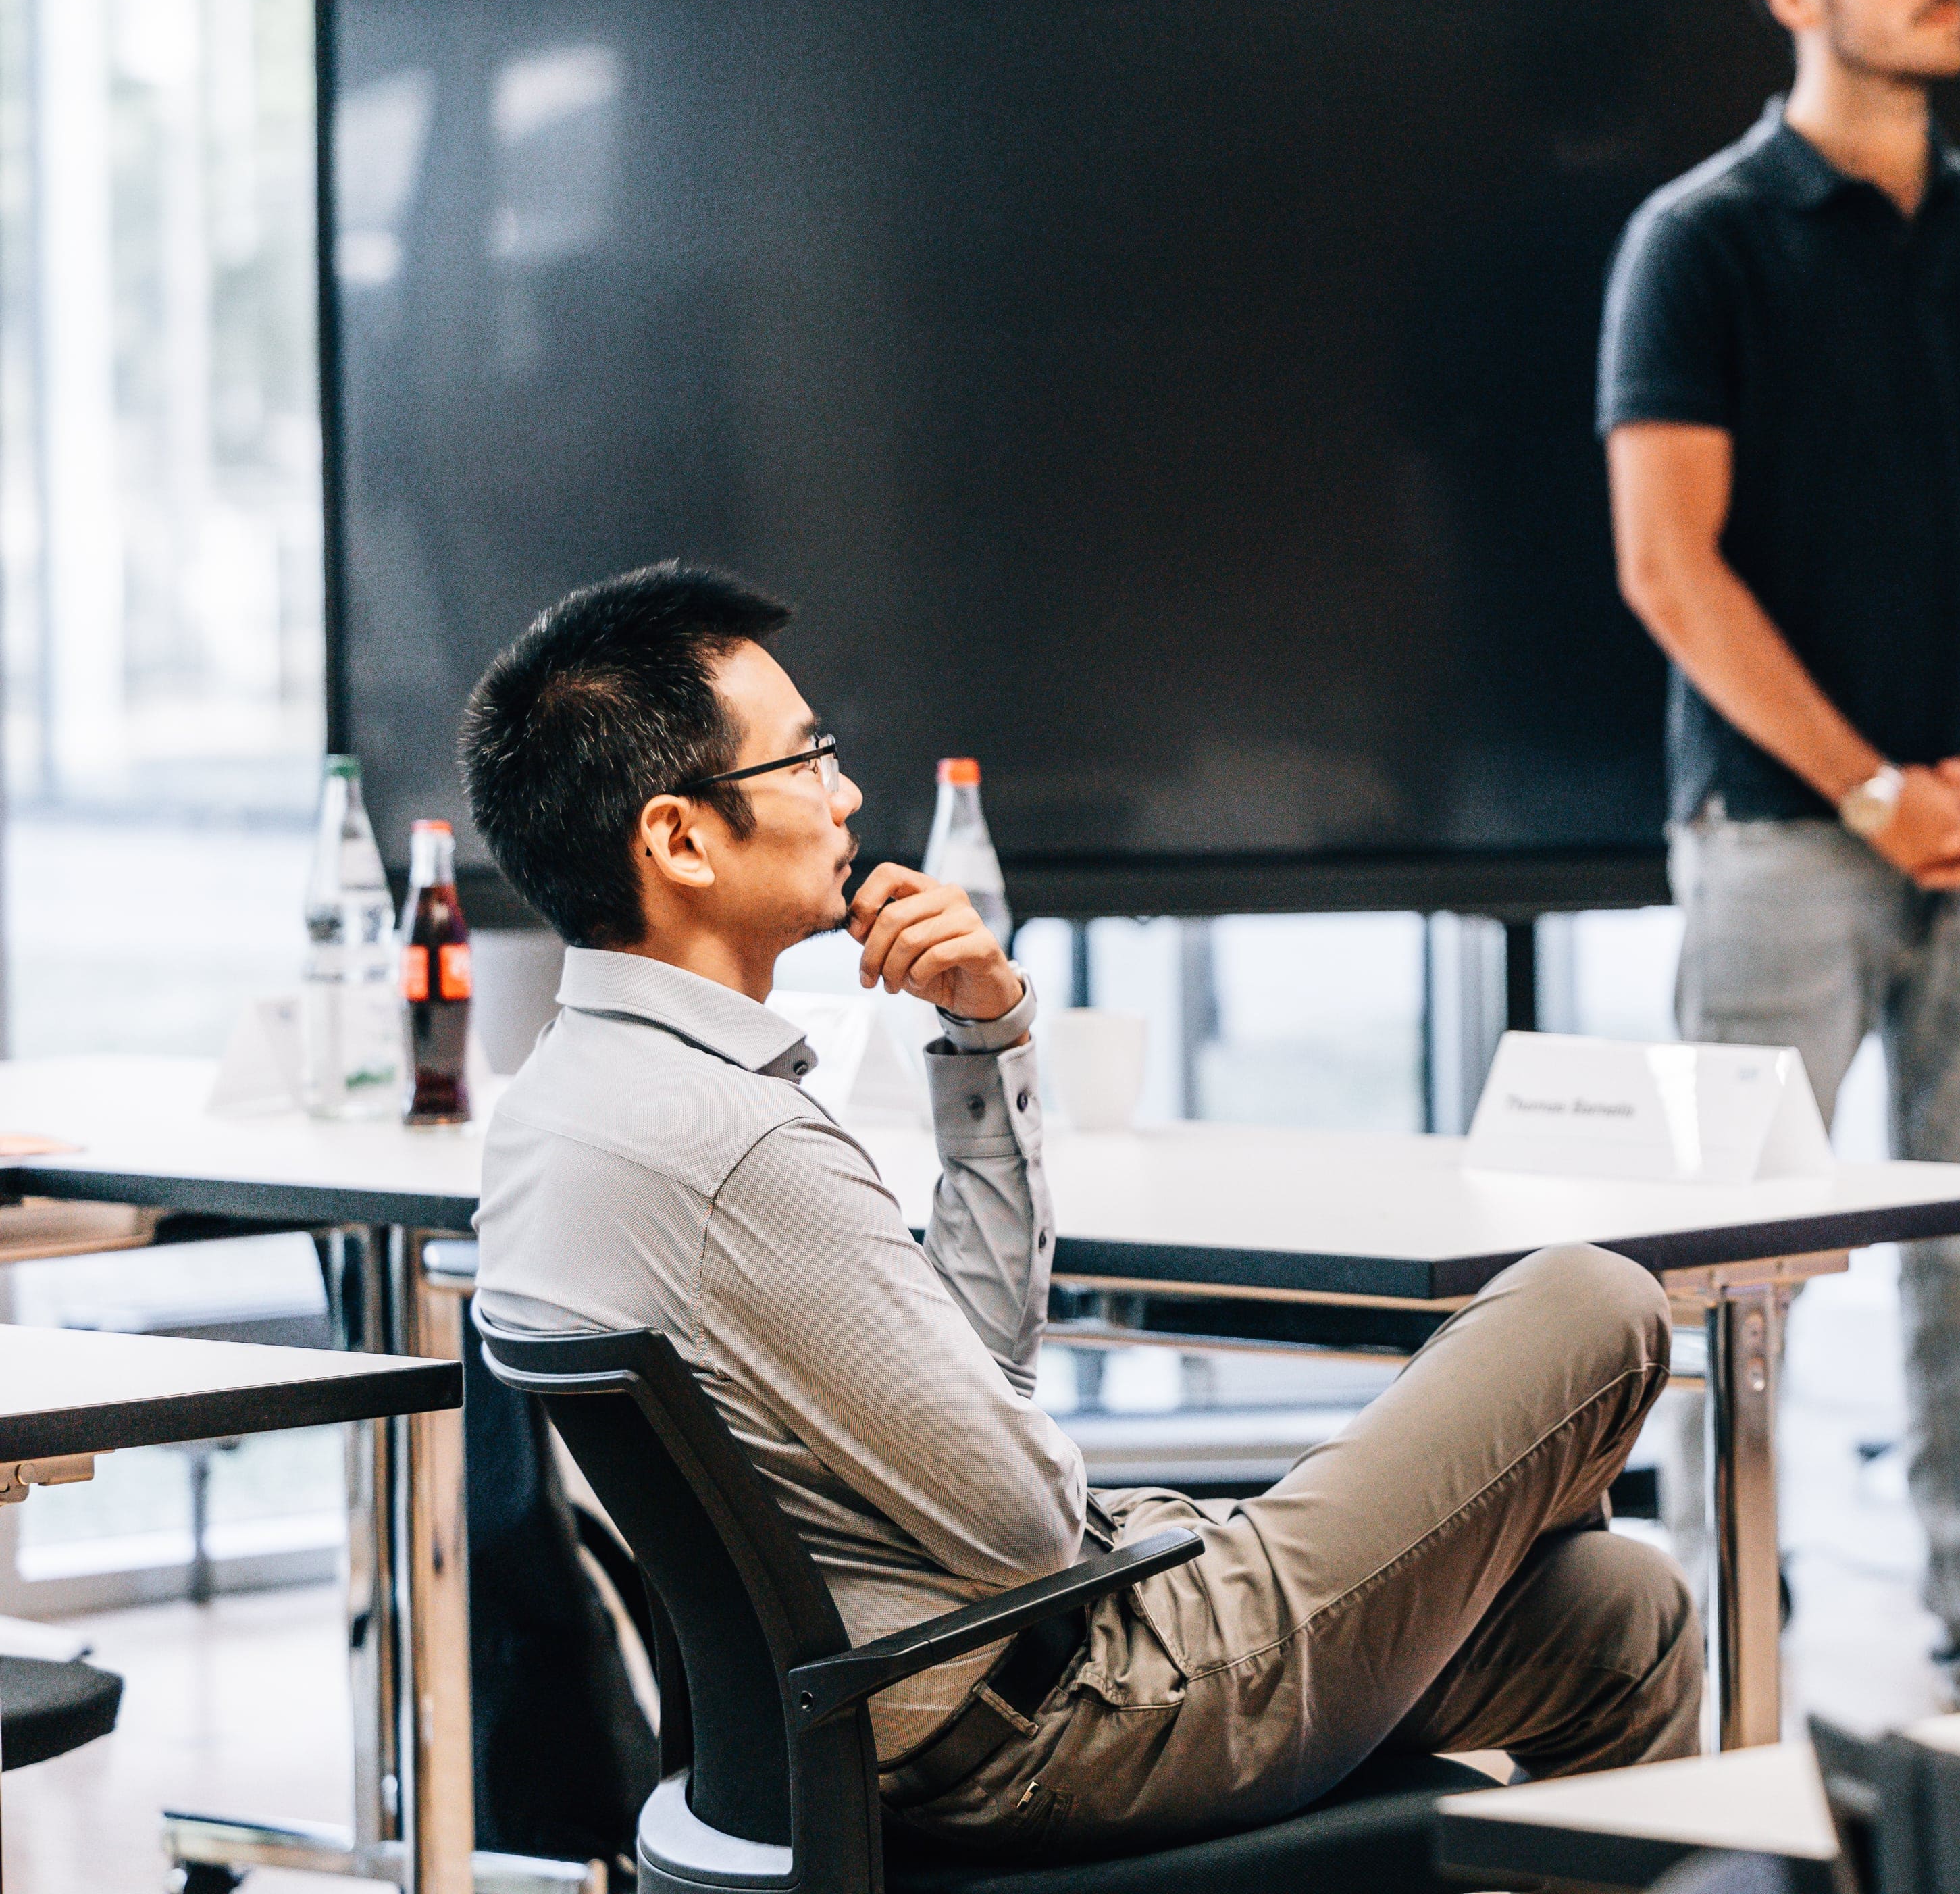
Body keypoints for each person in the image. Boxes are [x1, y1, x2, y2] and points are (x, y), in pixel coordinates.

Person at [465, 562, 1696, 1853]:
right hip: (1072, 1716)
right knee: (1596, 1300)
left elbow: (975, 1370)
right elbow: (1027, 1527)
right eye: (806, 760)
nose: (846, 795)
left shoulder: (566, 1105)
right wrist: (1200, 1530)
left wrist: (984, 1038)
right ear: (679, 839)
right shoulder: (738, 1145)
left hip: (892, 1718)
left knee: (1617, 1618)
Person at [1599, 0, 1960, 1708]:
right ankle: (1727, 1638)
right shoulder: (1702, 242)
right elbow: (1670, 565)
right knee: (1739, 1280)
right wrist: (1873, 781)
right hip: (1778, 842)